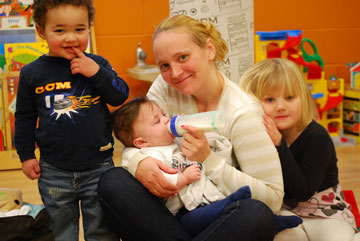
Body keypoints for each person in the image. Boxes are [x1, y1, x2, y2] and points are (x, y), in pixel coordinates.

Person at [98, 15, 284, 241]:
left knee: (256, 214)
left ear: (209, 50)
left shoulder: (242, 112)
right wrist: (139, 162)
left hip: (213, 214)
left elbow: (273, 198)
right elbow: (137, 139)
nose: (175, 73)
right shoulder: (165, 88)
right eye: (165, 65)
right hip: (165, 213)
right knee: (113, 181)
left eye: (183, 57)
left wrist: (209, 161)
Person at [14, 0, 129, 240]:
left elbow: (119, 95)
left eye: (79, 29)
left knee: (102, 229)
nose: (71, 38)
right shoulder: (32, 73)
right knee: (61, 229)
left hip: (99, 165)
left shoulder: (98, 64)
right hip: (54, 169)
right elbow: (24, 117)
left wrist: (96, 72)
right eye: (59, 30)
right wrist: (25, 156)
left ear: (89, 28)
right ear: (40, 31)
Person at [112, 96, 302, 237]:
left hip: (203, 200)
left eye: (164, 115)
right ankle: (235, 204)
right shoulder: (152, 155)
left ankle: (272, 223)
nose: (166, 120)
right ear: (141, 142)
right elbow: (166, 181)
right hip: (182, 213)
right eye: (157, 121)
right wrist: (184, 178)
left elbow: (218, 147)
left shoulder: (174, 142)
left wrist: (191, 127)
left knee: (246, 213)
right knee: (217, 212)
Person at [238, 58, 359, 241]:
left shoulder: (317, 137)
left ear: (303, 98)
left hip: (325, 213)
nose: (281, 107)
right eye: (270, 99)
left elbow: (303, 191)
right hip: (284, 211)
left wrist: (280, 146)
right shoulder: (259, 135)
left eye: (289, 97)